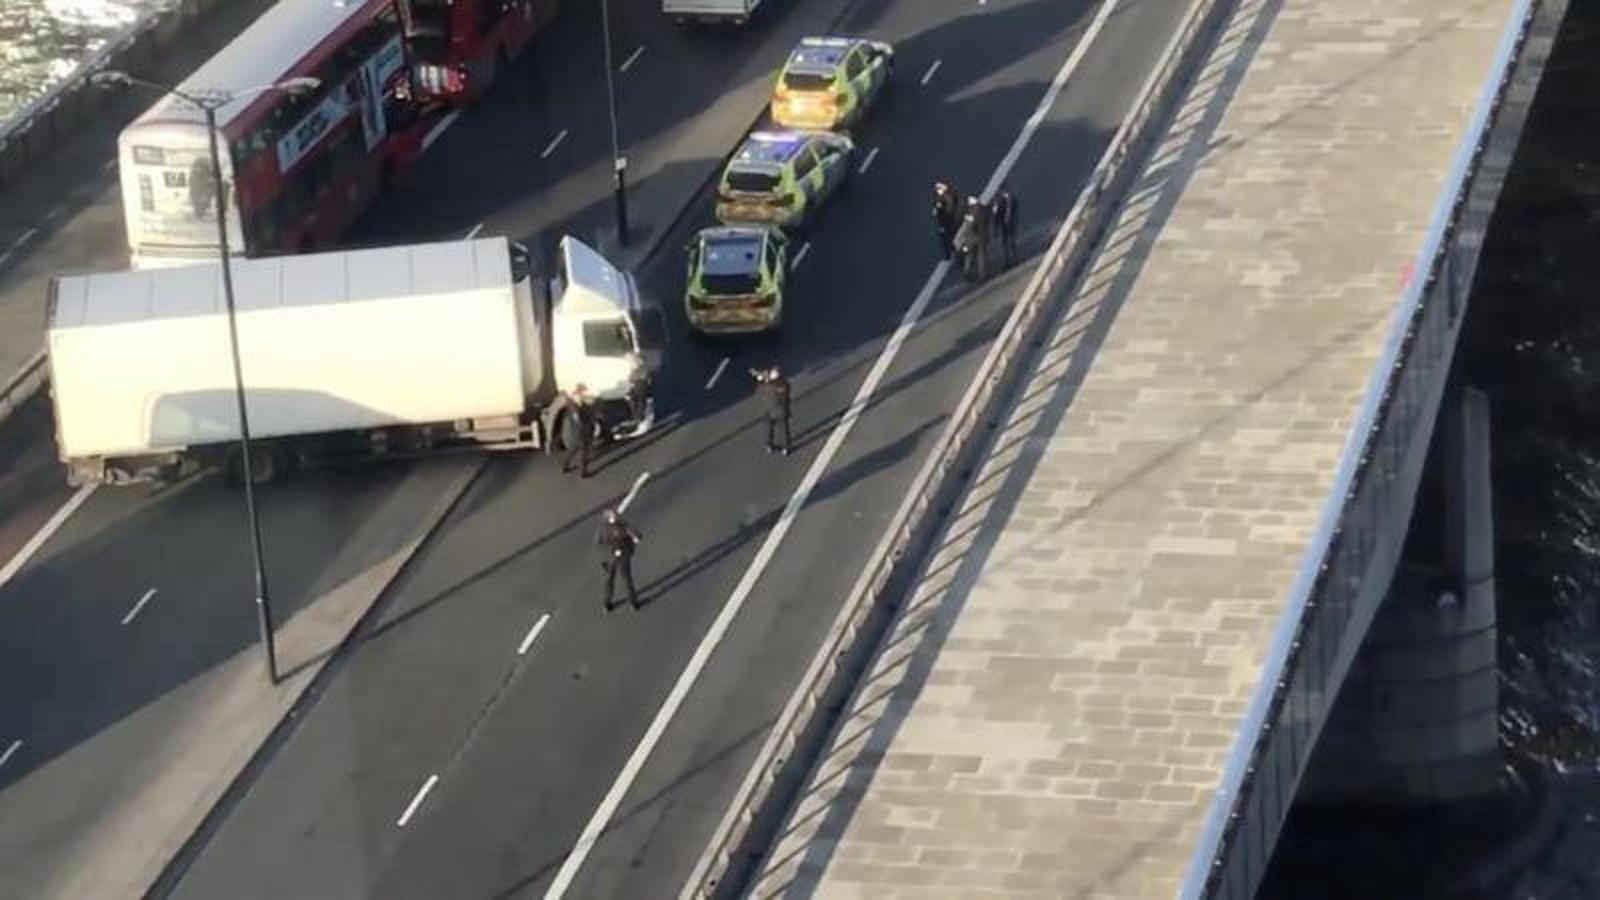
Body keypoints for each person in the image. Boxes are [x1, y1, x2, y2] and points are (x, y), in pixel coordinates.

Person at [596, 508, 642, 611]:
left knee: (621, 580)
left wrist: (636, 537)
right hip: (615, 556)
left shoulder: (610, 527)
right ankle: (611, 603)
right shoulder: (612, 527)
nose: (614, 518)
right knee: (616, 580)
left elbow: (634, 532)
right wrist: (614, 551)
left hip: (616, 557)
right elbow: (601, 543)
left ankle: (630, 602)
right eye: (612, 516)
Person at [752, 365, 793, 455]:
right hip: (780, 411)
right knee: (783, 429)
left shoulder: (767, 385)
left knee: (768, 429)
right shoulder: (783, 384)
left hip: (767, 410)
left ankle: (769, 445)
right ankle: (786, 448)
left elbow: (759, 389)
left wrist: (761, 379)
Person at [562, 385, 597, 478]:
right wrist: (586, 426)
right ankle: (583, 472)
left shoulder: (577, 402)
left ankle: (565, 465)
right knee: (583, 450)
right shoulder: (574, 405)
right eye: (583, 392)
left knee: (574, 448)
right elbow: (577, 418)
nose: (584, 395)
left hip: (580, 430)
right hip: (580, 430)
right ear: (579, 392)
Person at [931, 181, 960, 259]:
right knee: (944, 236)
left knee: (953, 234)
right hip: (943, 221)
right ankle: (948, 253)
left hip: (949, 219)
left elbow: (950, 209)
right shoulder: (937, 199)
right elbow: (935, 212)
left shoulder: (948, 197)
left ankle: (955, 249)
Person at [992, 186, 1019, 267]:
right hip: (1006, 224)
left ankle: (1012, 259)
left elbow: (996, 215)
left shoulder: (1001, 200)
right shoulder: (1007, 199)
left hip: (1008, 224)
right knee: (1007, 242)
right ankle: (1010, 259)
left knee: (1009, 242)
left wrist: (995, 228)